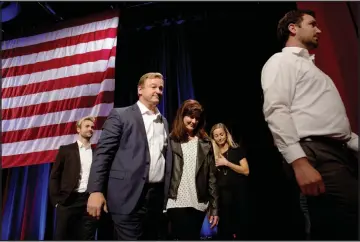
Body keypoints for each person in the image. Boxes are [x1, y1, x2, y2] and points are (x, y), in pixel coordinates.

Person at [261, 9, 358, 240]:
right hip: (315, 154)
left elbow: (331, 125)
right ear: (293, 28)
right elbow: (276, 110)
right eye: (312, 24)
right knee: (338, 227)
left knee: (348, 224)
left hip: (337, 153)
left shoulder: (313, 68)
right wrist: (299, 163)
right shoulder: (281, 61)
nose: (319, 29)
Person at [86, 72, 173, 240]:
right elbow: (103, 154)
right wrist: (95, 191)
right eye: (153, 87)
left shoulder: (164, 121)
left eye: (161, 88)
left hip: (155, 198)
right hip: (126, 196)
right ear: (140, 90)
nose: (158, 91)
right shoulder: (121, 115)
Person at [166, 99, 219, 240]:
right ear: (182, 116)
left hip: (199, 202)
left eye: (197, 118)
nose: (193, 121)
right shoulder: (171, 140)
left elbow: (211, 177)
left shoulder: (205, 142)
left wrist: (214, 208)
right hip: (176, 200)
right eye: (190, 116)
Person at [49, 116, 98, 240]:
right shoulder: (66, 150)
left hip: (89, 201)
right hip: (68, 200)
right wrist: (56, 202)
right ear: (78, 129)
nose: (90, 129)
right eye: (87, 126)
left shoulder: (97, 152)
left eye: (92, 127)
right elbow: (55, 176)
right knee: (62, 237)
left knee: (87, 237)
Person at [210, 123, 250, 240]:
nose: (219, 138)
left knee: (241, 226)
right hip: (223, 196)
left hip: (239, 193)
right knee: (226, 229)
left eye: (221, 134)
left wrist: (227, 163)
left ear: (226, 134)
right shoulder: (213, 154)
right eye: (216, 136)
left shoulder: (236, 150)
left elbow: (246, 170)